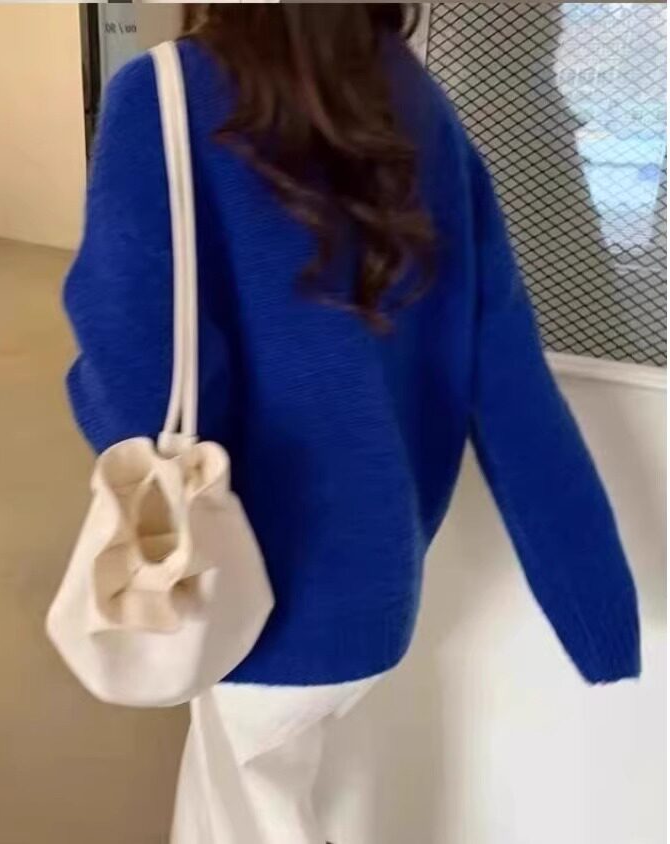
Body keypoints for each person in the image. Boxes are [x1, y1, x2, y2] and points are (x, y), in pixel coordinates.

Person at [63, 6, 641, 842]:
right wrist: (595, 608)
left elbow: (136, 388)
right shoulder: (413, 100)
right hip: (378, 590)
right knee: (297, 799)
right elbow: (511, 382)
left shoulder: (162, 95)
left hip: (244, 589)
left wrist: (91, 392)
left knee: (248, 812)